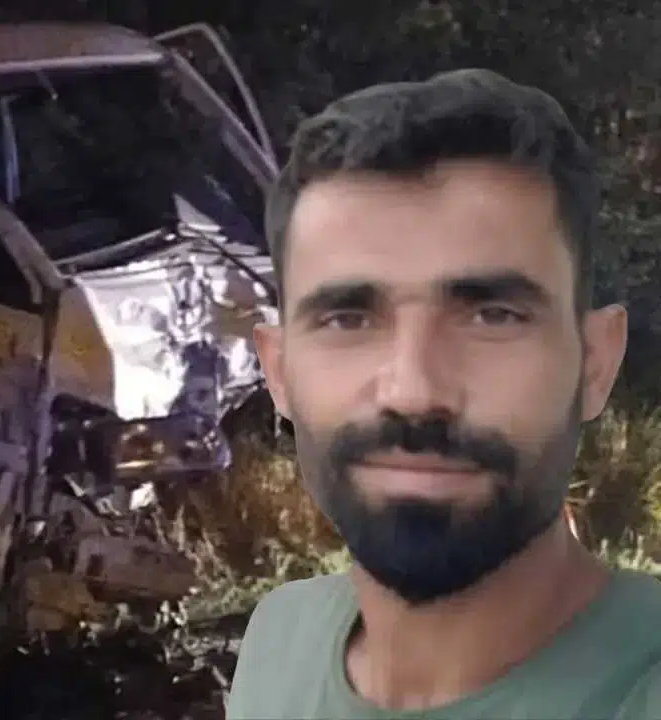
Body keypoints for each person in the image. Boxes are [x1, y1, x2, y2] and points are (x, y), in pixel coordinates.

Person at [225, 69, 661, 718]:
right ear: (279, 372)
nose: (413, 391)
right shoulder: (280, 640)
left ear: (595, 364)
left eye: (493, 316)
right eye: (347, 319)